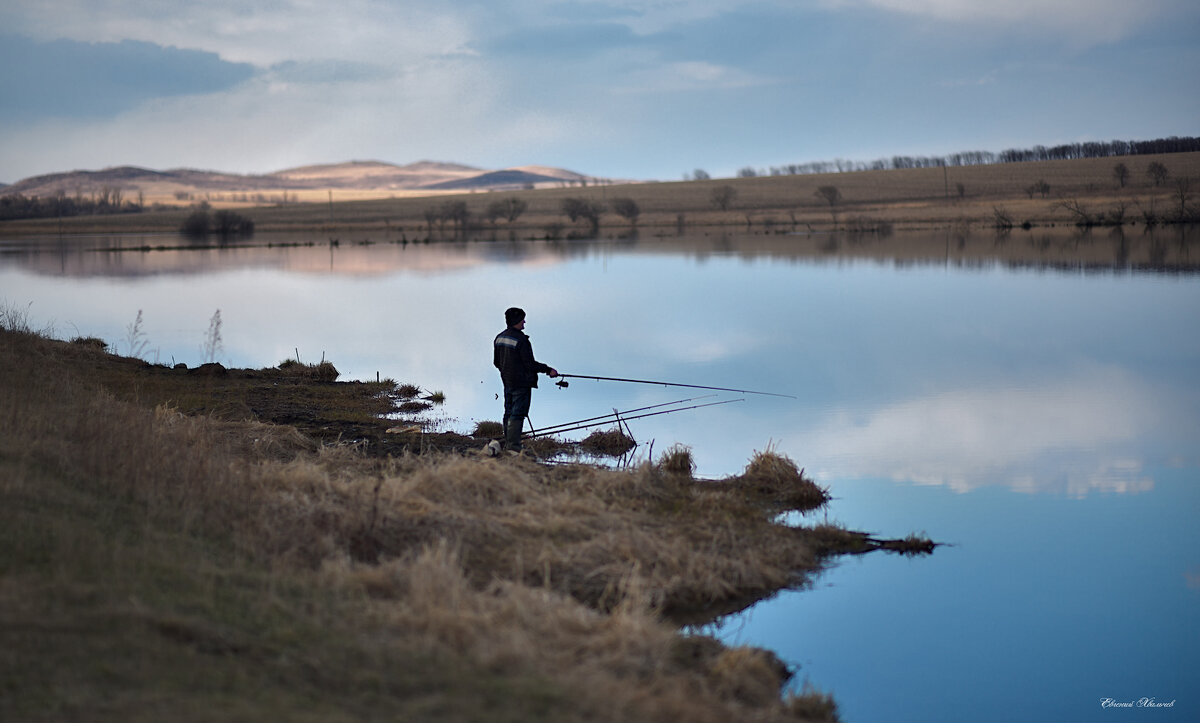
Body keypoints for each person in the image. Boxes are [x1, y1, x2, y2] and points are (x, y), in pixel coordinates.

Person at [493, 307, 557, 452]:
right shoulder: (521, 340)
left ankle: (508, 443)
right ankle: (514, 447)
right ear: (516, 321)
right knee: (517, 413)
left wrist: (507, 372)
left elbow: (496, 362)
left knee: (508, 411)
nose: (524, 322)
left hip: (507, 381)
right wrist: (548, 370)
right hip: (521, 383)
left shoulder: (499, 337)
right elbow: (529, 364)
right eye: (522, 319)